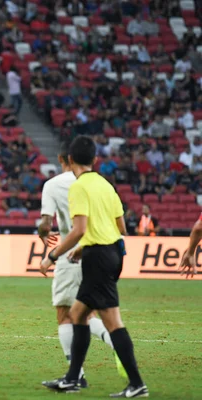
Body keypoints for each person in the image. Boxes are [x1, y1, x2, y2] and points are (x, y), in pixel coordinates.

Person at [40, 136, 148, 397]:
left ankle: (136, 384)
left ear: (70, 160)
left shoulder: (79, 187)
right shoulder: (105, 184)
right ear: (95, 160)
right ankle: (72, 379)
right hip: (110, 253)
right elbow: (121, 227)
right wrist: (84, 247)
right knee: (77, 314)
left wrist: (52, 255)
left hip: (98, 257)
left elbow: (79, 229)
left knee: (112, 321)